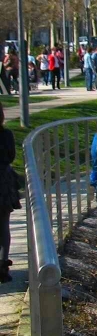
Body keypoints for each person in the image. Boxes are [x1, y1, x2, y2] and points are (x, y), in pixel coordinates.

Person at [0, 104, 20, 283]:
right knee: (4, 225)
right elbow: (11, 156)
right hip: (3, 181)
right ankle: (2, 265)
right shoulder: (6, 134)